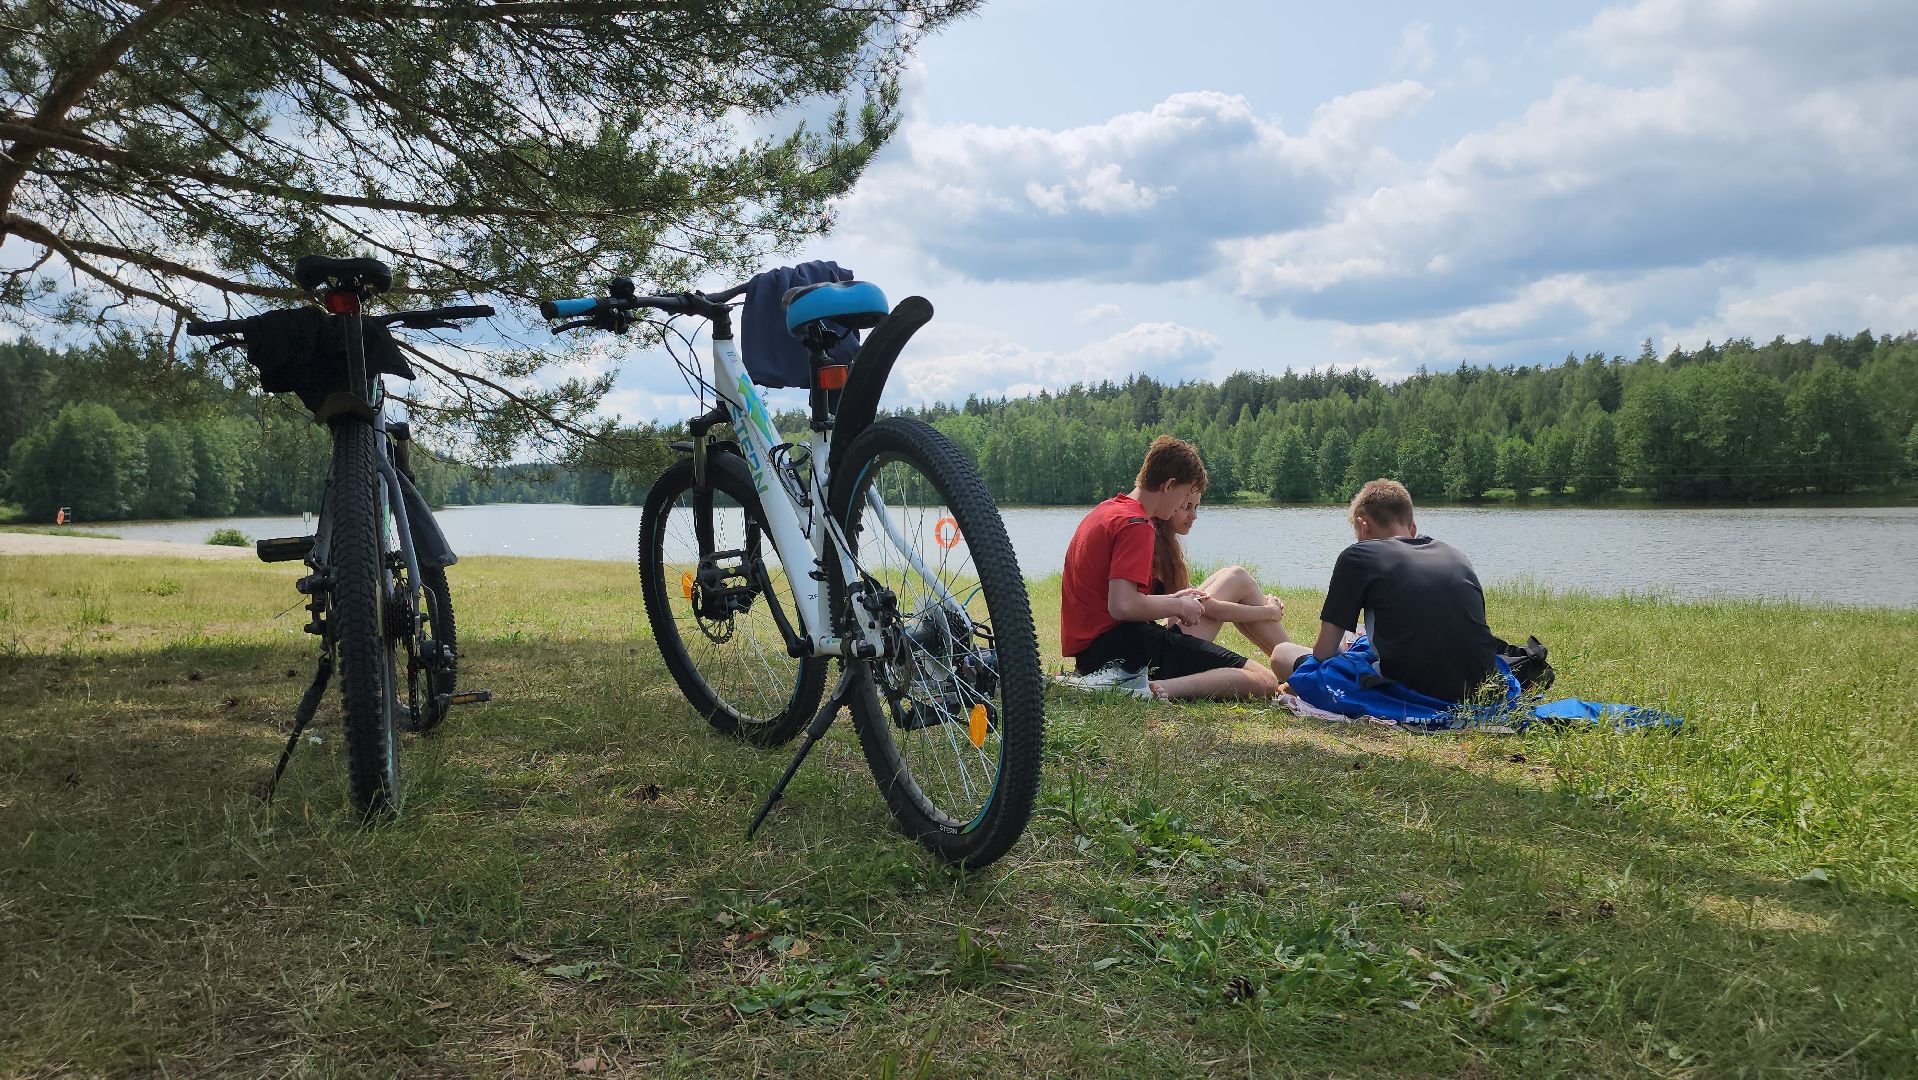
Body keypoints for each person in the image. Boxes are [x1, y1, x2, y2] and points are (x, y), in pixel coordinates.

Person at [1060, 435, 1279, 701]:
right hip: (1124, 649)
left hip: (1092, 655)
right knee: (1264, 680)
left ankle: (1131, 684)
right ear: (1169, 485)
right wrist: (1178, 606)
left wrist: (1174, 599)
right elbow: (1122, 605)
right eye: (1186, 496)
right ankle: (1147, 691)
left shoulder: (1106, 511)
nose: (1183, 505)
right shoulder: (1136, 523)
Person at [1270, 479, 1499, 704]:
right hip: (1481, 684)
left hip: (1412, 687)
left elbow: (1324, 652)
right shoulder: (1455, 554)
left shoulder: (1358, 556)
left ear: (1363, 525)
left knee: (1282, 654)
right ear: (1413, 527)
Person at [1150, 491, 1290, 658]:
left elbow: (1192, 598)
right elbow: (1215, 610)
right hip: (1165, 651)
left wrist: (1258, 602)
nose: (1194, 515)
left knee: (1229, 574)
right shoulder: (1159, 551)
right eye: (1186, 507)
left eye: (1196, 507)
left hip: (1160, 638)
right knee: (1237, 577)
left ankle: (1293, 669)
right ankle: (1301, 667)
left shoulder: (1160, 540)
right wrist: (1270, 611)